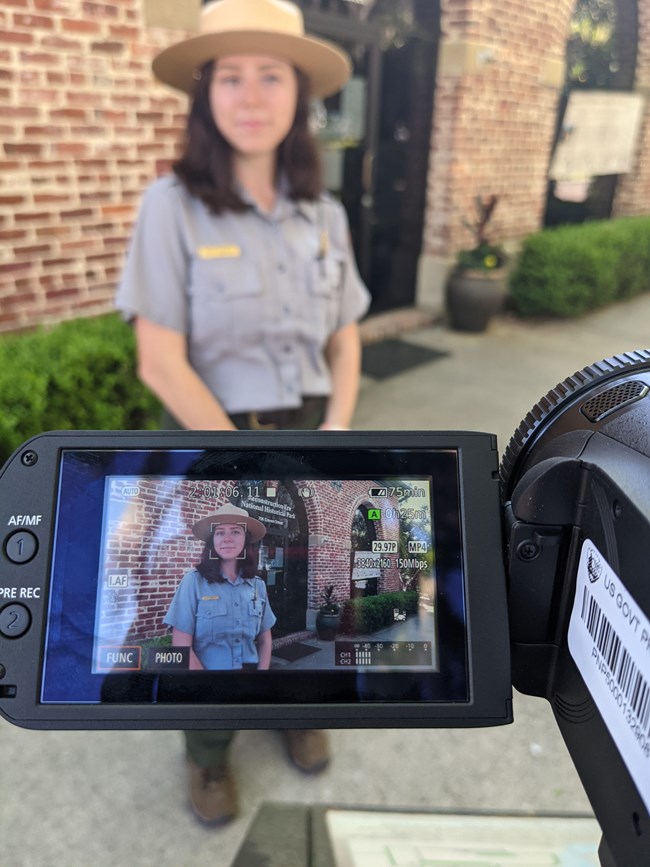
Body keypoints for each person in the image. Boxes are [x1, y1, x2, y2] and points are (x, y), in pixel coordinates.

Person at [115, 0, 371, 828]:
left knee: (305, 592)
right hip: (203, 438)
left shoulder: (323, 215)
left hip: (302, 429)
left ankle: (296, 705)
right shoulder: (171, 205)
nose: (252, 94)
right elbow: (160, 358)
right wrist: (240, 462)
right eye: (232, 75)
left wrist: (336, 428)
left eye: (272, 75)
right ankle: (209, 750)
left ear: (300, 95)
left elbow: (345, 333)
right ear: (205, 92)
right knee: (209, 604)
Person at [165, 505, 275, 671]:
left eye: (236, 531)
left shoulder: (257, 584)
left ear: (246, 540)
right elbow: (181, 644)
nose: (227, 539)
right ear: (212, 541)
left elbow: (265, 638)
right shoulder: (193, 582)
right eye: (220, 532)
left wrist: (261, 675)